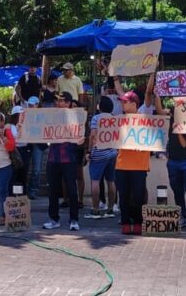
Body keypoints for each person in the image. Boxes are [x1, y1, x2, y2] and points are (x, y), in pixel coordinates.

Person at [114, 90, 160, 235]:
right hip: (121, 164)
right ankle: (126, 223)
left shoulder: (145, 119)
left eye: (125, 101)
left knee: (138, 196)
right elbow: (110, 138)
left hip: (139, 165)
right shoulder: (118, 120)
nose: (122, 103)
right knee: (124, 197)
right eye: (121, 101)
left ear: (134, 104)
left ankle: (138, 222)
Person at [43, 92, 82, 231]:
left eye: (62, 101)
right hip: (53, 158)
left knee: (72, 190)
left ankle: (74, 220)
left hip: (69, 159)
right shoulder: (51, 117)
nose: (59, 103)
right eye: (58, 100)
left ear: (69, 103)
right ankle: (54, 219)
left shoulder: (76, 117)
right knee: (52, 190)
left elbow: (81, 136)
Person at [84, 96, 119, 220]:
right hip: (112, 153)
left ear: (100, 106)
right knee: (111, 181)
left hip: (98, 153)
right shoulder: (115, 118)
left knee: (95, 181)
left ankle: (95, 209)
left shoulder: (96, 118)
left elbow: (93, 135)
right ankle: (110, 208)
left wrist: (89, 151)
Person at [23, 96, 46, 199]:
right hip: (26, 144)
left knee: (36, 170)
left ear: (38, 104)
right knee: (24, 168)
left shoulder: (43, 116)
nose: (32, 106)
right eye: (30, 105)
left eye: (34, 104)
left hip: (38, 144)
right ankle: (23, 191)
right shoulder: (23, 115)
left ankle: (33, 191)